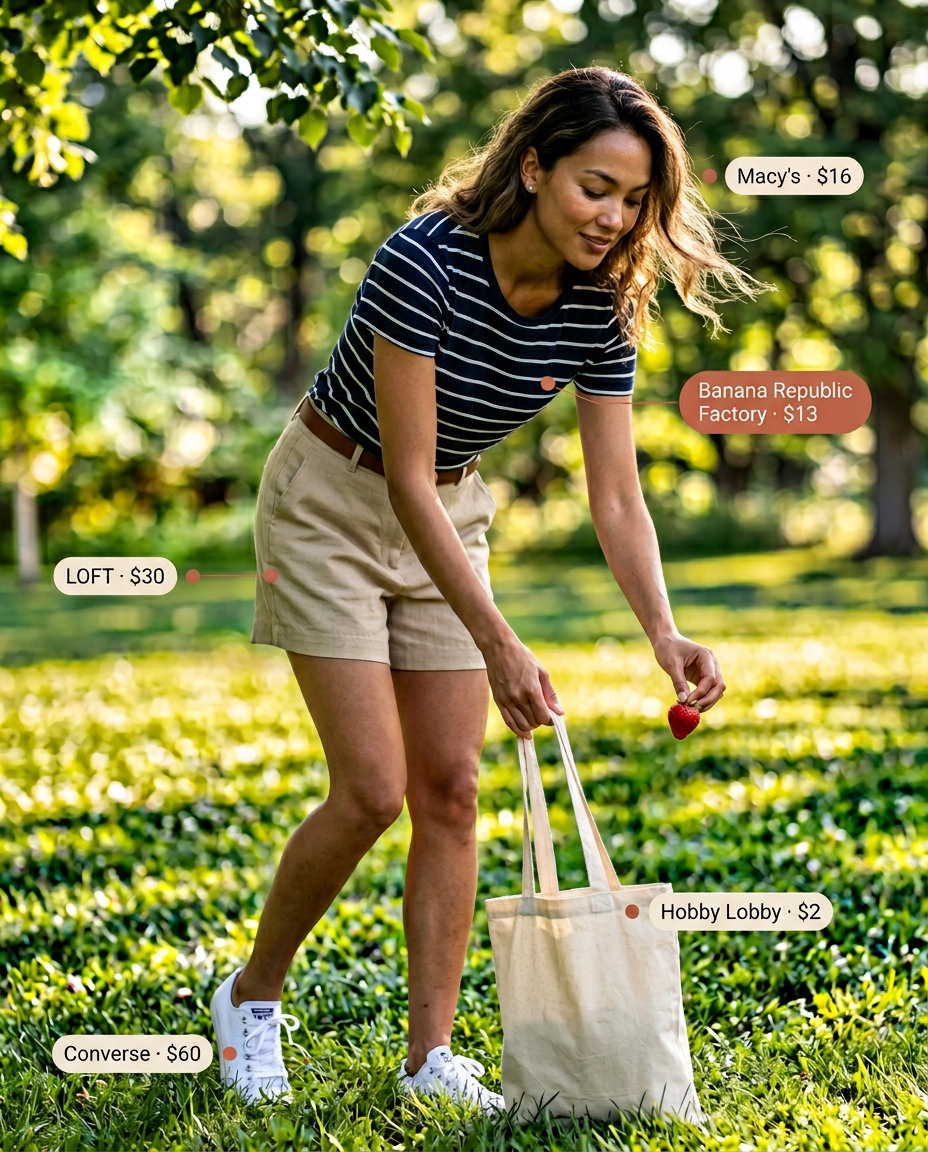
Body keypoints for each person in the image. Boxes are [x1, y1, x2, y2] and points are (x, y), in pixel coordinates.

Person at [210, 65, 764, 1113]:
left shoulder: (601, 310)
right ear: (533, 166)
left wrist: (664, 634)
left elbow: (614, 497)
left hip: (450, 517)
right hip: (333, 500)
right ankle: (248, 996)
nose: (614, 218)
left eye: (635, 199)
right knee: (373, 788)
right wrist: (503, 641)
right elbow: (403, 478)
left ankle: (429, 1058)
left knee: (453, 792)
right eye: (594, 187)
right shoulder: (424, 263)